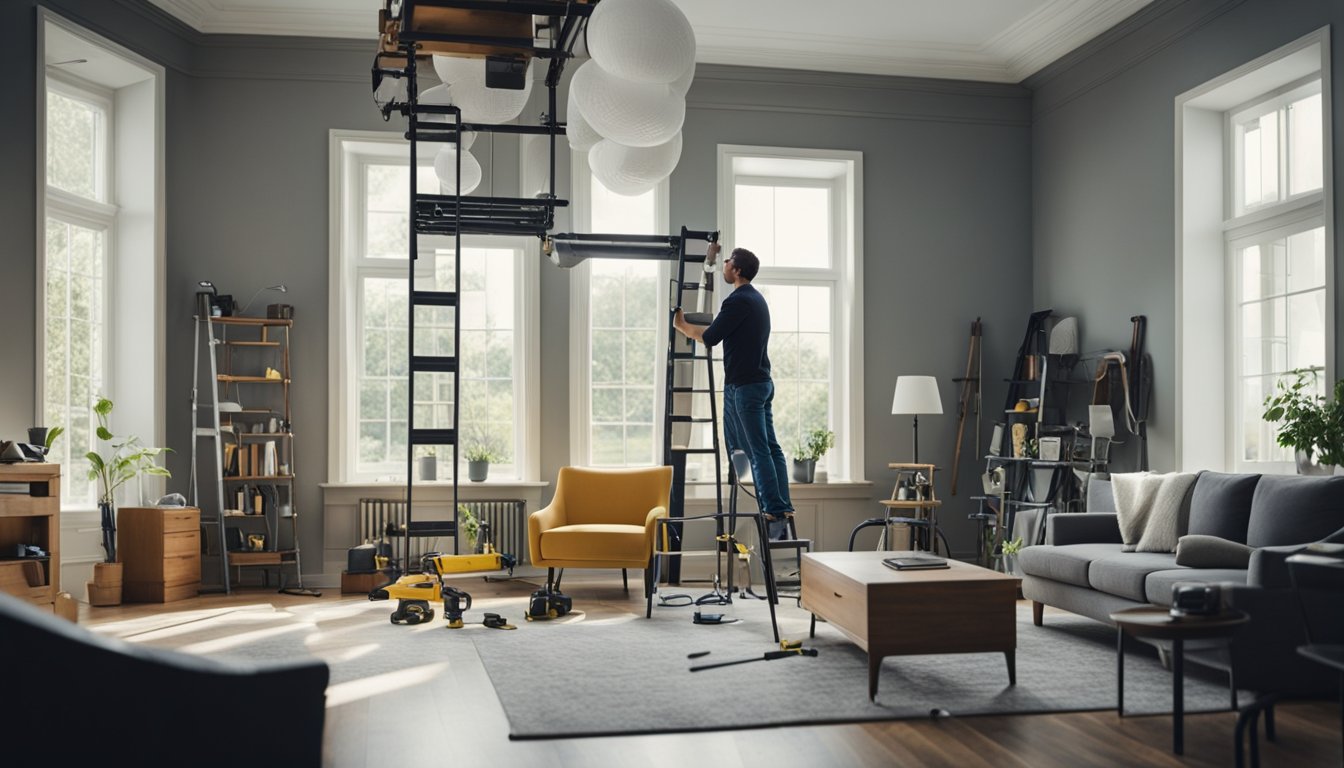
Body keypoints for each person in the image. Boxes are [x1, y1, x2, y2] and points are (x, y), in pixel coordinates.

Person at [673, 244, 793, 539]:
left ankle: (773, 510)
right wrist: (710, 258)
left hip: (746, 387)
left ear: (737, 270)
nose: (725, 263)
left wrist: (682, 326)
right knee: (771, 448)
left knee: (756, 450)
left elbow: (711, 337)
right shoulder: (756, 299)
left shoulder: (738, 301)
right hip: (762, 382)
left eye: (728, 261)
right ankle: (783, 505)